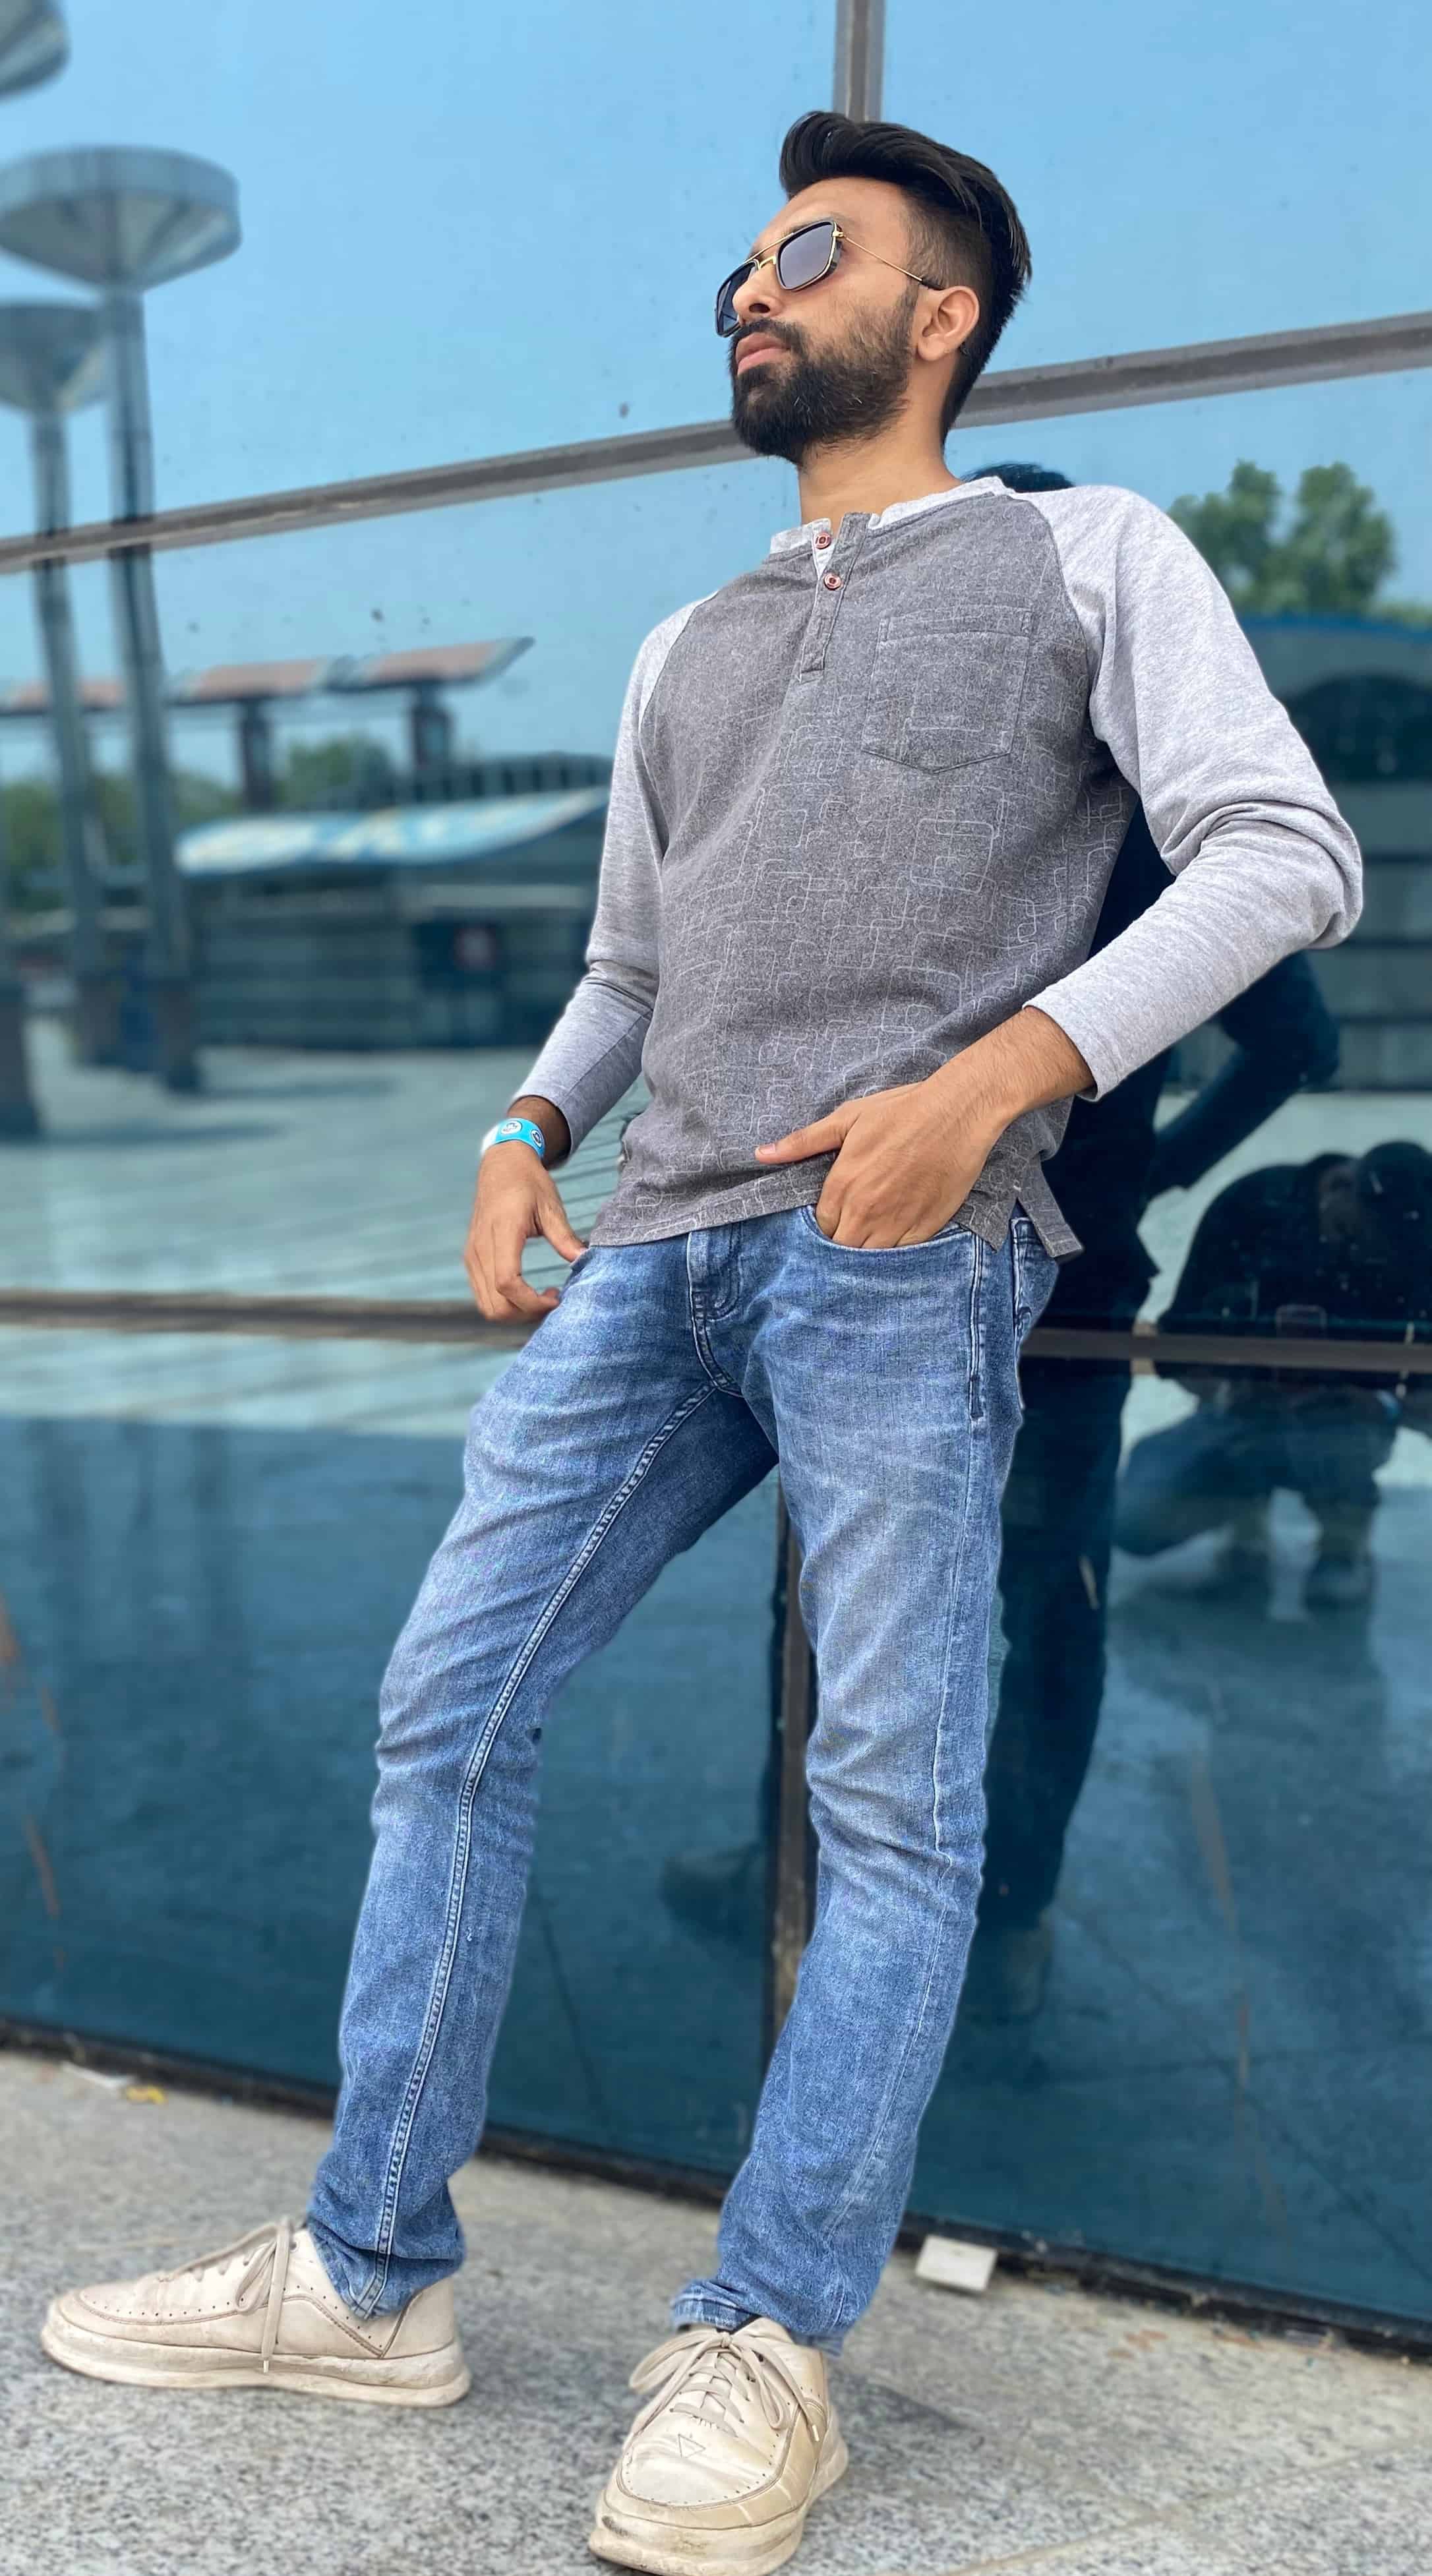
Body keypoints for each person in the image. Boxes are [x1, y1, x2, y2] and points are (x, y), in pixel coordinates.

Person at [42, 111, 1361, 2575]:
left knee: (893, 1805)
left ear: (941, 315)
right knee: (445, 1706)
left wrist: (994, 1086)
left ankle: (768, 2335)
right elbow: (632, 964)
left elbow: (1288, 853)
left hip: (901, 1254)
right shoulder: (688, 643)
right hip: (651, 1257)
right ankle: (366, 2272)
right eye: (740, 267)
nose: (749, 293)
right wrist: (521, 1124)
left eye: (806, 257)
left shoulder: (1088, 554)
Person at [962, 463, 1344, 2022]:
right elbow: (1297, 1046)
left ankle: (977, 1900)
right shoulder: (1076, 810)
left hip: (1003, 1283)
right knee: (1009, 1605)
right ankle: (973, 1909)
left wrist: (1148, 1172)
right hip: (1005, 1273)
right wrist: (1151, 1174)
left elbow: (1298, 1033)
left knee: (983, 1601)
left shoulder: (1131, 813)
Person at [1113, 1141, 1432, 1613]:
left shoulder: (1419, 1248)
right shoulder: (1253, 1207)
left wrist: (1378, 1406)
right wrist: (1229, 1391)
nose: (1356, 1256)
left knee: (1342, 1443)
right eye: (1348, 1235)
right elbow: (1178, 1342)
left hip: (1346, 1428)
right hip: (1241, 1418)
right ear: (1338, 1186)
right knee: (1133, 1517)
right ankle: (1253, 1518)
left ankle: (1341, 1539)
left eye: (1380, 1258)